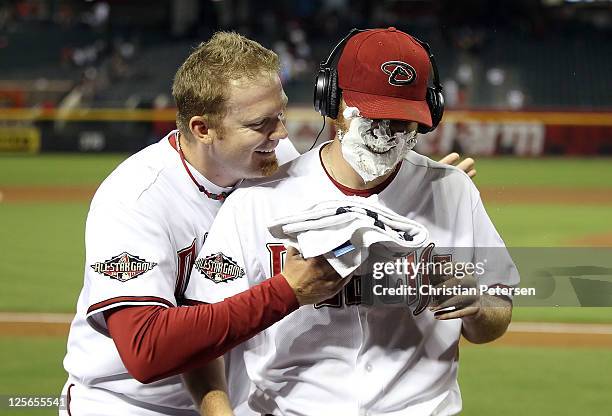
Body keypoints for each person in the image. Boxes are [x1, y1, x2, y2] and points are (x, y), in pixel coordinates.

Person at [184, 28, 518, 415]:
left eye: (402, 121)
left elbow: (497, 312)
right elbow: (204, 333)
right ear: (332, 101)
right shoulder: (257, 202)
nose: (386, 134)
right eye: (373, 116)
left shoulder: (453, 191)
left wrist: (477, 304)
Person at [60, 32, 349, 416]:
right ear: (203, 129)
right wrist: (285, 292)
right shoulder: (136, 199)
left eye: (280, 115)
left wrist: (417, 190)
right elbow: (146, 350)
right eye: (261, 123)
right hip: (131, 404)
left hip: (233, 396)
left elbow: (339, 218)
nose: (280, 133)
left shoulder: (271, 156)